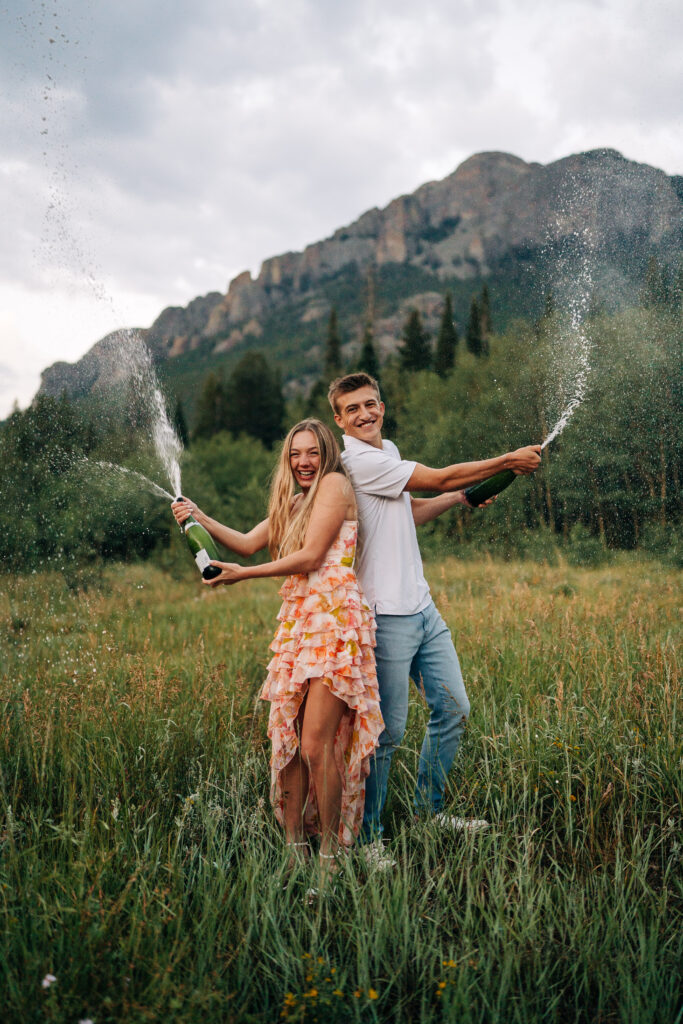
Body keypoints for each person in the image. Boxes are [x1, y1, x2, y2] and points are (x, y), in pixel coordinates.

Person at [328, 372, 541, 859]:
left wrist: (459, 499)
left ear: (382, 406)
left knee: (454, 709)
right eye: (352, 409)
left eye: (370, 404)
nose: (364, 414)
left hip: (422, 608)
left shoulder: (388, 451)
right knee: (387, 734)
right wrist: (507, 460)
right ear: (339, 420)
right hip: (385, 616)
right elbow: (441, 475)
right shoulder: (357, 461)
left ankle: (429, 810)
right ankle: (368, 837)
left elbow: (409, 510)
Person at [171, 419, 383, 878]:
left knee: (315, 744)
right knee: (289, 737)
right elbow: (248, 544)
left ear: (327, 454)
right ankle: (294, 850)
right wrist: (198, 517)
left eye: (312, 452)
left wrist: (242, 576)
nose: (303, 462)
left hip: (334, 621)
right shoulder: (296, 500)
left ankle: (330, 855)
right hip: (300, 622)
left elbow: (311, 557)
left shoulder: (334, 485)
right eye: (295, 454)